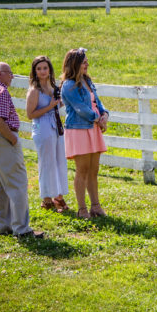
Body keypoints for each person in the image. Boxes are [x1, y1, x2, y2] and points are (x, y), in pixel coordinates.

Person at [0, 62, 45, 239]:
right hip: (2, 139)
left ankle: (3, 225)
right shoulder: (0, 91)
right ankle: (21, 228)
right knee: (17, 183)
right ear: (0, 74)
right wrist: (12, 139)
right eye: (10, 73)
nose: (12, 76)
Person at [60, 48, 109, 219]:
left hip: (93, 127)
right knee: (82, 169)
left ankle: (96, 206)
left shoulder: (87, 81)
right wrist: (98, 119)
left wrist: (105, 115)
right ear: (74, 64)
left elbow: (98, 102)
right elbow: (81, 109)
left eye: (87, 61)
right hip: (79, 129)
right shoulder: (68, 85)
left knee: (93, 170)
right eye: (84, 62)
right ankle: (82, 209)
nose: (87, 64)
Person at [27, 55, 68, 213]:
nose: (43, 71)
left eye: (45, 68)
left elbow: (57, 105)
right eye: (39, 69)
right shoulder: (34, 90)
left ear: (49, 69)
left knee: (58, 161)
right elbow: (30, 114)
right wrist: (50, 106)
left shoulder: (53, 87)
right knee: (47, 163)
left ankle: (57, 196)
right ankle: (47, 198)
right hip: (42, 127)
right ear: (35, 71)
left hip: (56, 127)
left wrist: (60, 102)